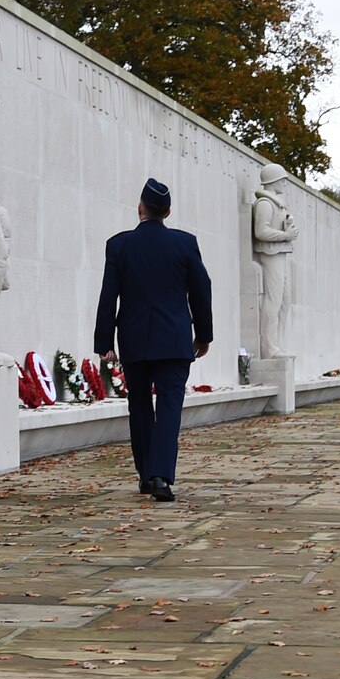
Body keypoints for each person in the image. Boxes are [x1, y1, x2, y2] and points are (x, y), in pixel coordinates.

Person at [93, 178, 214, 503]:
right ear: (168, 211)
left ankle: (147, 475)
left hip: (134, 340)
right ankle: (160, 475)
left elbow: (109, 295)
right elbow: (201, 290)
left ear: (140, 209)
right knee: (170, 406)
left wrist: (105, 341)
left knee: (140, 406)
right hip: (174, 341)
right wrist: (203, 336)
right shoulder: (185, 244)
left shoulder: (119, 245)